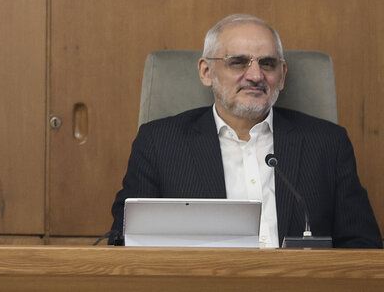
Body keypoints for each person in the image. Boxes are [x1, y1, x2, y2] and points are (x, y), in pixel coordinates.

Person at [110, 13, 381, 247]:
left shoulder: (327, 143)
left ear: (282, 75)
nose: (255, 76)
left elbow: (363, 246)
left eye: (267, 64)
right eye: (238, 62)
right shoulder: (159, 143)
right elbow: (126, 242)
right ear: (206, 72)